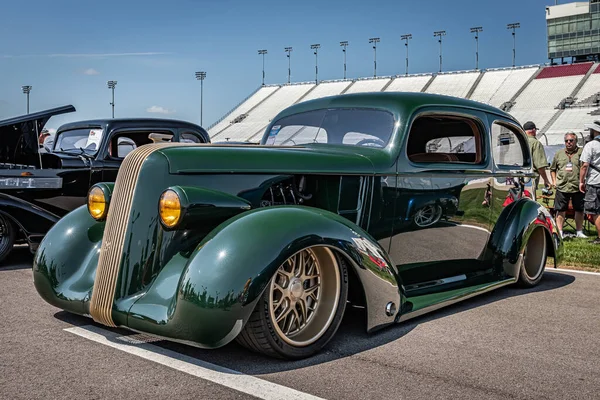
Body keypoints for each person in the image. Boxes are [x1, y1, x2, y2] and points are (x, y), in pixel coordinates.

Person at [550, 132, 586, 238]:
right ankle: (560, 232)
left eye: (571, 140)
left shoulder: (582, 152)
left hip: (577, 186)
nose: (569, 143)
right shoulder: (559, 154)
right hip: (562, 186)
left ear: (576, 141)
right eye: (566, 141)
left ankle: (579, 232)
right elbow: (553, 169)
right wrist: (554, 181)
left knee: (579, 209)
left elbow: (585, 167)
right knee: (560, 210)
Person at [580, 121, 600, 244]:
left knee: (595, 211)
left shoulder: (591, 145)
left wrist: (581, 181)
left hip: (595, 181)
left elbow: (584, 165)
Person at [523, 121, 551, 193]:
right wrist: (546, 180)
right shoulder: (535, 143)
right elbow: (540, 165)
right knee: (529, 198)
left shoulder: (519, 140)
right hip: (530, 177)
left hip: (517, 176)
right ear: (533, 130)